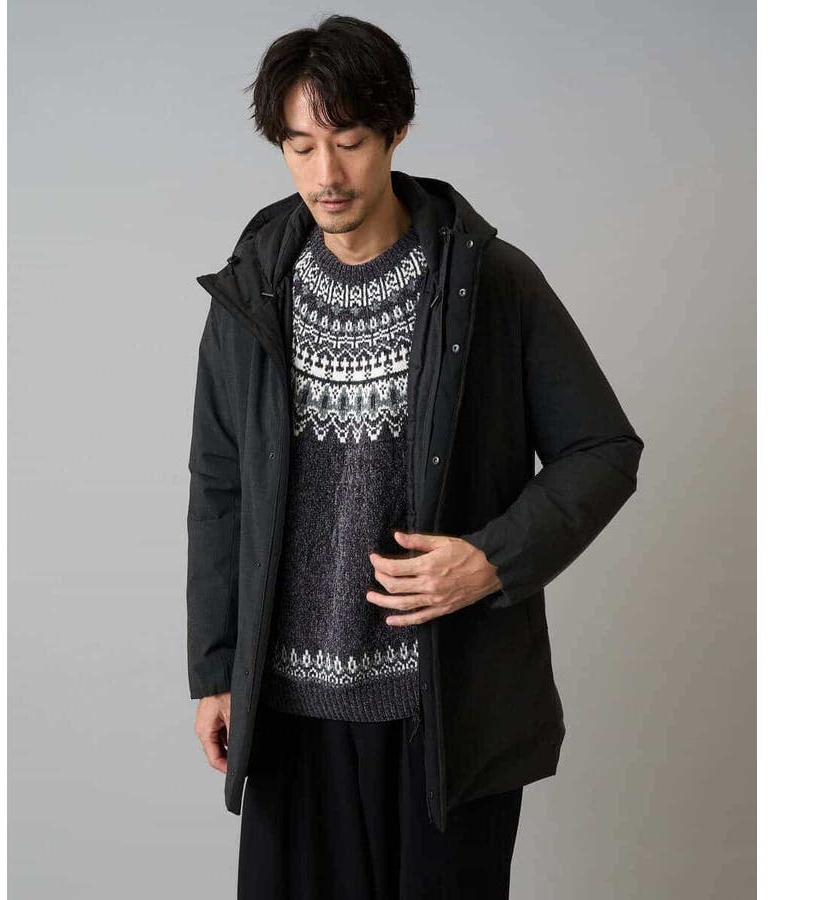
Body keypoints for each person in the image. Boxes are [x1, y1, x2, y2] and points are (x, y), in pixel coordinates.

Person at [186, 14, 644, 900]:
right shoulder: (250, 295)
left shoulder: (488, 282)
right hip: (287, 713)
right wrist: (215, 668)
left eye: (351, 141)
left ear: (397, 131)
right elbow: (220, 484)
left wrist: (492, 560)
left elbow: (603, 447)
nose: (327, 174)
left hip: (442, 710)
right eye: (301, 146)